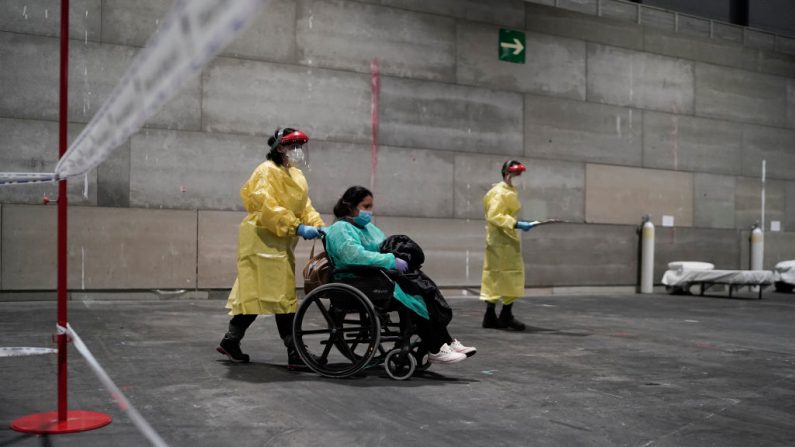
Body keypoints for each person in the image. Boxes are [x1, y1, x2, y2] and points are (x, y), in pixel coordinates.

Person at [324, 186, 476, 364]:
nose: (369, 211)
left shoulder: (369, 229)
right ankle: (435, 347)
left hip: (375, 276)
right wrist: (390, 260)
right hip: (355, 280)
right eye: (366, 206)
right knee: (413, 294)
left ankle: (445, 341)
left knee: (424, 288)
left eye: (371, 207)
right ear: (351, 207)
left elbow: (383, 247)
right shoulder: (340, 229)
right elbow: (354, 256)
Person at [217, 127, 325, 369]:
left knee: (260, 295)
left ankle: (230, 341)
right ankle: (295, 351)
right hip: (262, 241)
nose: (297, 151)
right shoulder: (266, 171)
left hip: (279, 242)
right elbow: (267, 206)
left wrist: (318, 225)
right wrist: (296, 227)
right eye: (292, 146)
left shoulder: (295, 175)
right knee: (279, 297)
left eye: (300, 146)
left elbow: (304, 205)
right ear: (280, 147)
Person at [480, 160, 537, 331]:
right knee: (498, 277)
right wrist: (516, 224)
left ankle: (500, 315)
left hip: (504, 240)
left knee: (504, 276)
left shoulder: (508, 191)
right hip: (500, 240)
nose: (519, 177)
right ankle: (498, 316)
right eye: (516, 174)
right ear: (507, 174)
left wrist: (515, 224)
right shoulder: (499, 192)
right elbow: (494, 215)